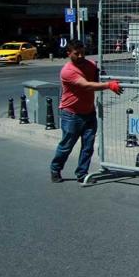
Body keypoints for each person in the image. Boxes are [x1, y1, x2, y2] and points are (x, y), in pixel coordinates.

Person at [50, 40, 123, 183]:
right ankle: (55, 169)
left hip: (89, 112)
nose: (81, 56)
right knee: (66, 146)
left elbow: (98, 77)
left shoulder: (90, 65)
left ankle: (82, 174)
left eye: (83, 53)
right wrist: (109, 85)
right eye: (77, 54)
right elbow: (87, 85)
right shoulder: (68, 71)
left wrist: (104, 75)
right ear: (69, 53)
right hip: (71, 114)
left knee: (88, 146)